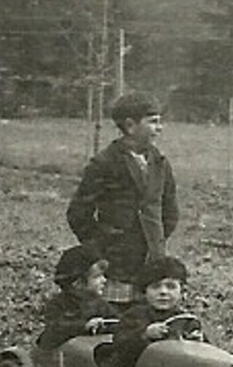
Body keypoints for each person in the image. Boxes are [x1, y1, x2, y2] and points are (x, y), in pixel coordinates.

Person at [66, 91, 179, 311]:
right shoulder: (104, 163)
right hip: (116, 260)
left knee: (148, 320)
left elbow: (169, 210)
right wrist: (101, 246)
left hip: (151, 260)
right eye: (153, 122)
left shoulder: (160, 163)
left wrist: (155, 239)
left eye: (160, 122)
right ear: (130, 126)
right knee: (114, 318)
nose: (160, 128)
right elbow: (79, 213)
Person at [113, 255, 201, 367]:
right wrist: (145, 334)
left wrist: (198, 343)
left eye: (171, 287)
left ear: (182, 292)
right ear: (145, 292)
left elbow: (206, 354)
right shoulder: (135, 315)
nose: (163, 292)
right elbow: (120, 345)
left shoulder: (187, 320)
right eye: (155, 287)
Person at [37, 244, 113, 350]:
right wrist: (84, 326)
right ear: (77, 283)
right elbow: (57, 328)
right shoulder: (58, 304)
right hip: (65, 356)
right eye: (97, 277)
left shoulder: (100, 304)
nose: (104, 280)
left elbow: (115, 320)